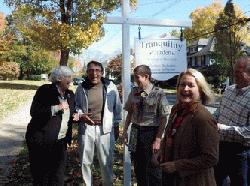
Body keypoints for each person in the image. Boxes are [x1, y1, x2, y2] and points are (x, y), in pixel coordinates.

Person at [153, 68, 219, 186]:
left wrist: (176, 165)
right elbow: (170, 135)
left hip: (195, 181)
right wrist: (160, 152)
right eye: (182, 85)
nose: (185, 89)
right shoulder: (176, 110)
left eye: (191, 85)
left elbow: (211, 158)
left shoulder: (203, 118)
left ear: (200, 90)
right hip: (172, 180)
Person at [25, 66, 75, 185]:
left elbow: (70, 113)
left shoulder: (70, 94)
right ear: (58, 78)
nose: (71, 80)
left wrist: (77, 116)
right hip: (41, 140)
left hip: (60, 142)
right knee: (41, 176)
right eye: (68, 77)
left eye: (71, 77)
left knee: (58, 175)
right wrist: (56, 107)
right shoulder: (45, 90)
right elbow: (34, 112)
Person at [75, 60, 122, 186]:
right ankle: (87, 184)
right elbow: (77, 106)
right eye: (91, 70)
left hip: (105, 129)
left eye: (97, 70)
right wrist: (81, 115)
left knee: (106, 162)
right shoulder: (81, 87)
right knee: (85, 162)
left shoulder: (111, 86)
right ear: (87, 72)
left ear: (102, 72)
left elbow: (117, 107)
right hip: (86, 128)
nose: (94, 73)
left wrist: (116, 125)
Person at [122, 65, 170, 186]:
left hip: (150, 132)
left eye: (137, 77)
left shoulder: (158, 93)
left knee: (152, 168)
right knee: (138, 166)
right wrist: (124, 132)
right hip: (135, 131)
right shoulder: (134, 92)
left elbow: (164, 118)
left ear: (146, 76)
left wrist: (158, 139)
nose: (135, 80)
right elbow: (129, 113)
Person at [214, 56, 250, 186]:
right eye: (234, 71)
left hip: (241, 153)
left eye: (238, 72)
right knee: (217, 180)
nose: (234, 74)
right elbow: (219, 111)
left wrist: (224, 128)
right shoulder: (229, 90)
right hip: (220, 146)